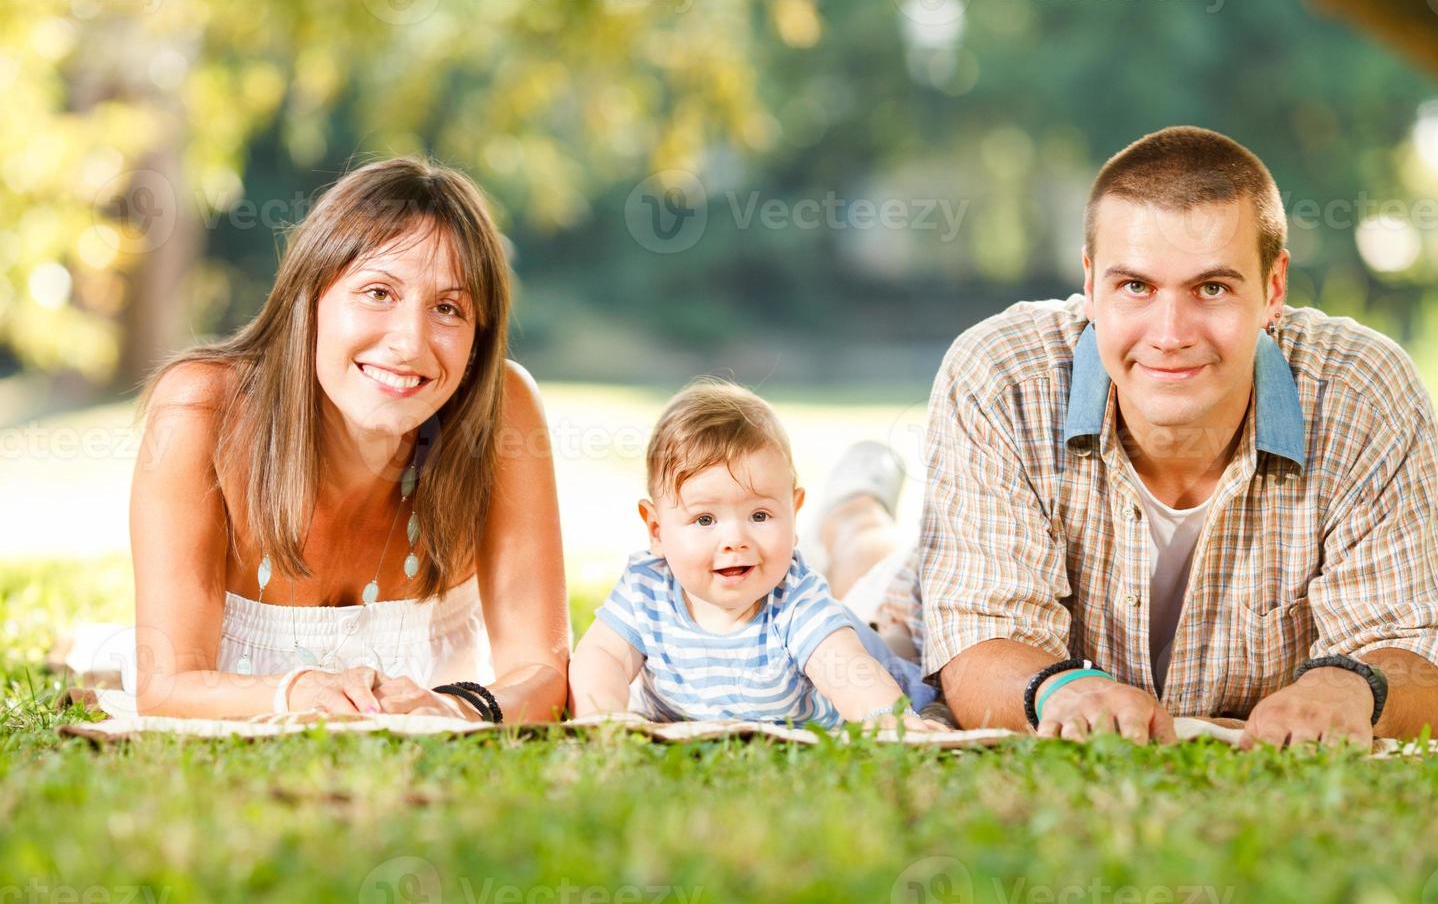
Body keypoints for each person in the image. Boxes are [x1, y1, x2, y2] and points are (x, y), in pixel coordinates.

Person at [818, 126, 1438, 750]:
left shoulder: (1364, 392)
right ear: (1089, 283)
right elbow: (977, 646)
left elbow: (1425, 648)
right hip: (914, 604)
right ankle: (854, 503)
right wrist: (1061, 690)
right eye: (1135, 285)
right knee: (867, 571)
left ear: (1273, 287)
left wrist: (1352, 690)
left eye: (1213, 287)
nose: (1170, 334)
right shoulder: (1002, 377)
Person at [120, 156, 570, 723]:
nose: (410, 343)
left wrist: (457, 707)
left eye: (448, 308)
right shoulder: (200, 410)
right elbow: (164, 688)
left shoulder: (502, 412)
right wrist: (297, 692)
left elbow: (546, 673)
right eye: (378, 293)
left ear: (478, 339)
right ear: (309, 298)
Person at [568, 380, 943, 731]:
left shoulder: (794, 599)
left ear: (794, 514)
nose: (735, 540)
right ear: (657, 531)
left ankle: (895, 619)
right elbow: (603, 657)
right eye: (704, 519)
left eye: (759, 516)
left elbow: (847, 669)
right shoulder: (646, 590)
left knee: (901, 650)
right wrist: (602, 719)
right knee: (873, 619)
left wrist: (887, 721)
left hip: (877, 663)